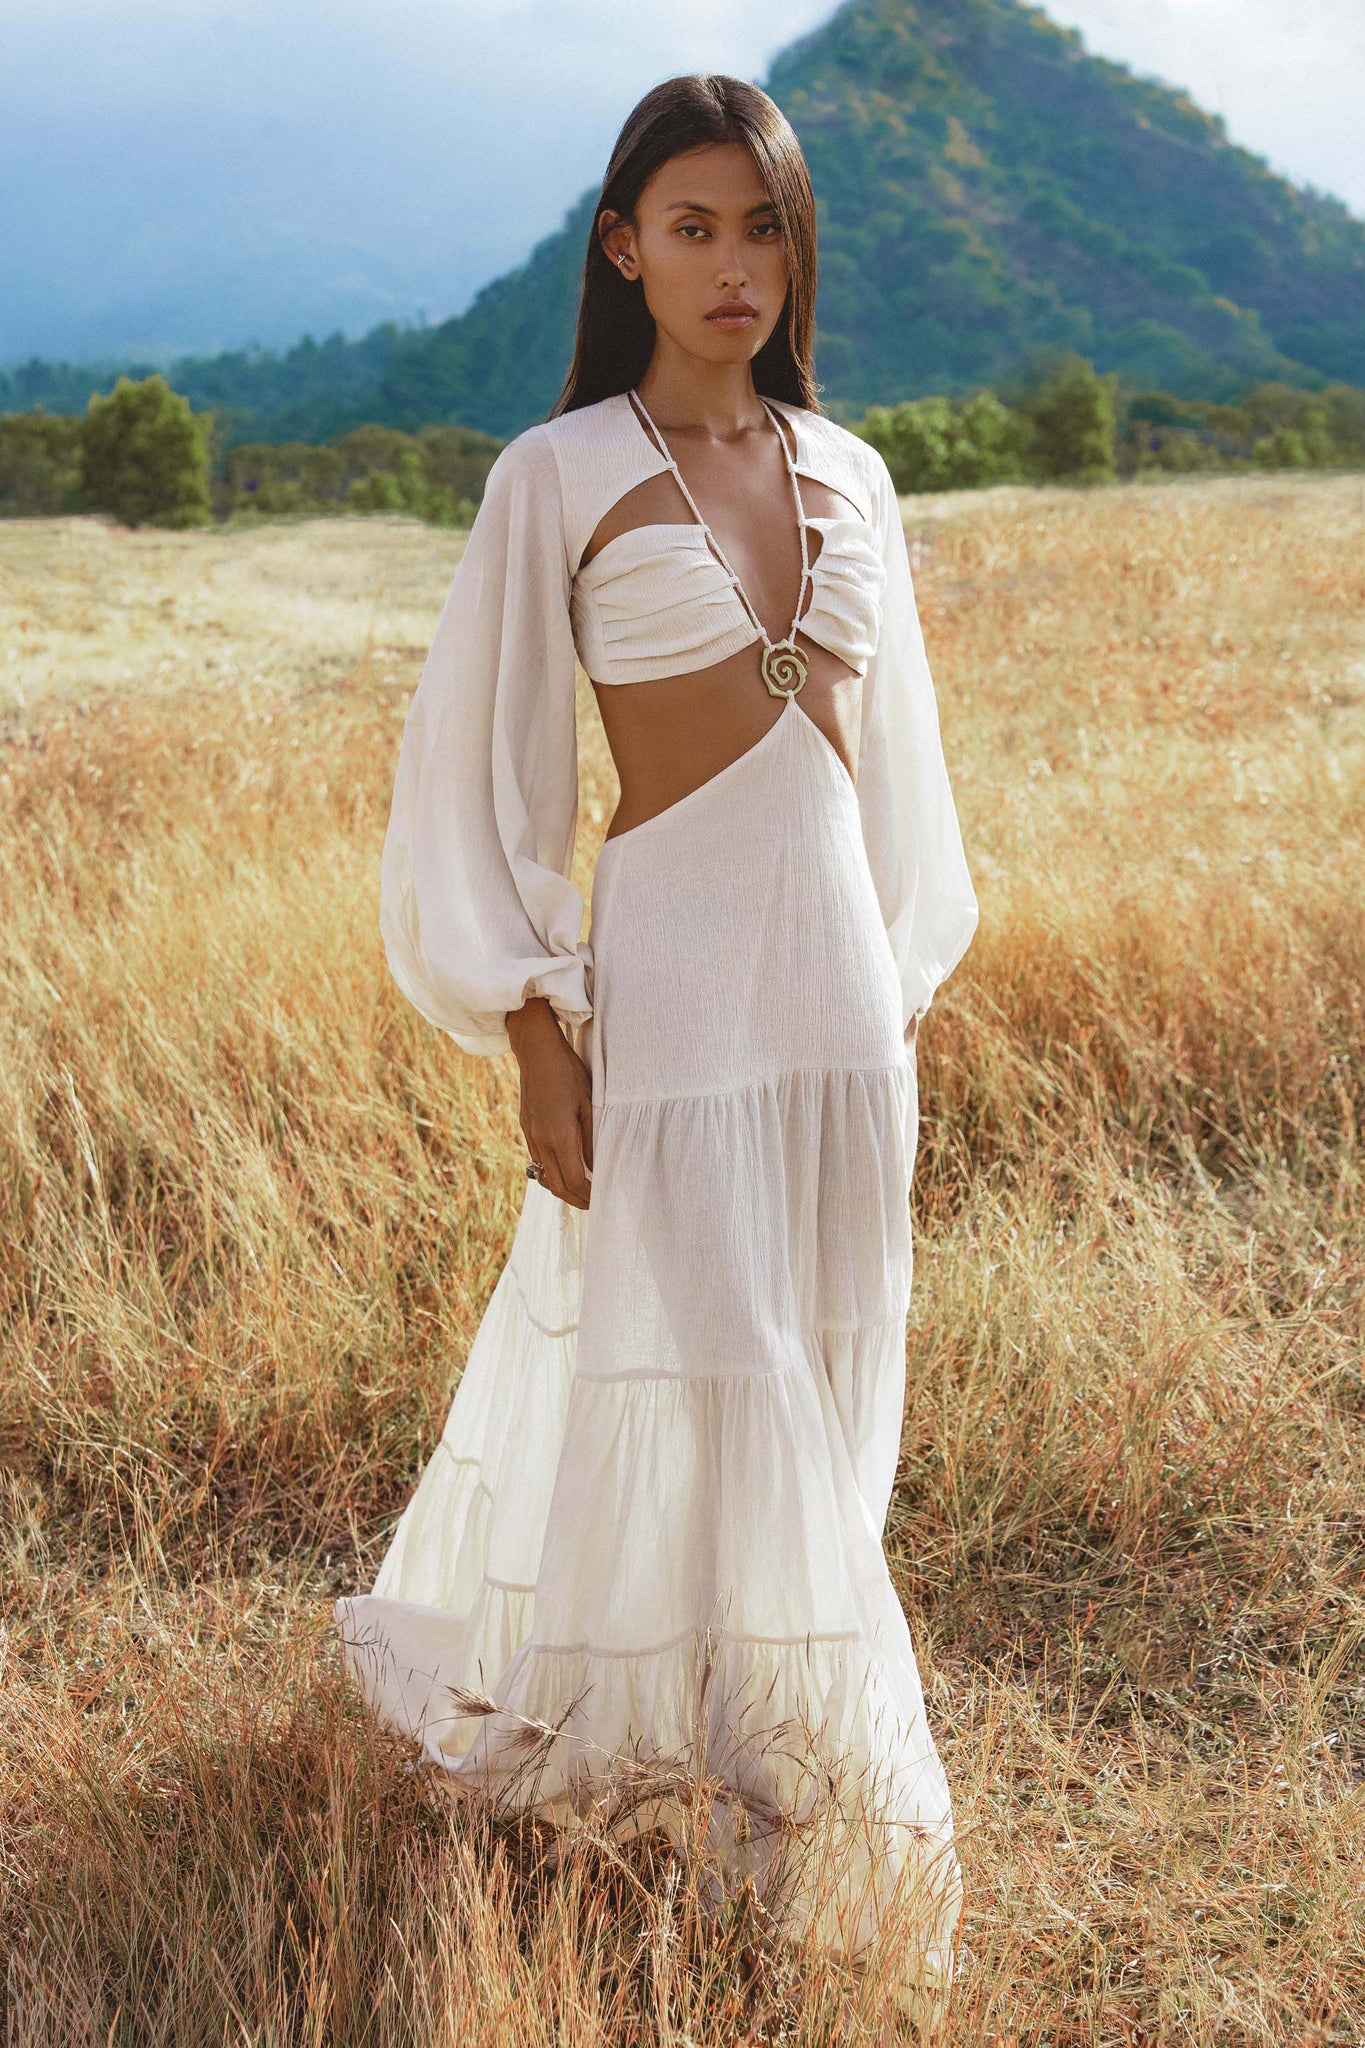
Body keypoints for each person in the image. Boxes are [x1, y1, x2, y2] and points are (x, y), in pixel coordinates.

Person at [335, 72, 978, 2001]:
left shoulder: (852, 470)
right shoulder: (556, 474)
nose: (730, 264)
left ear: (798, 253)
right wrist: (540, 1028)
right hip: (675, 1005)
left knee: (825, 1385)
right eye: (690, 225)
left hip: (844, 1030)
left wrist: (884, 994)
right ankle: (724, 1796)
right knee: (708, 1376)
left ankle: (763, 1759)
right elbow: (485, 777)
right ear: (621, 245)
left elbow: (902, 797)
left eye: (762, 226)